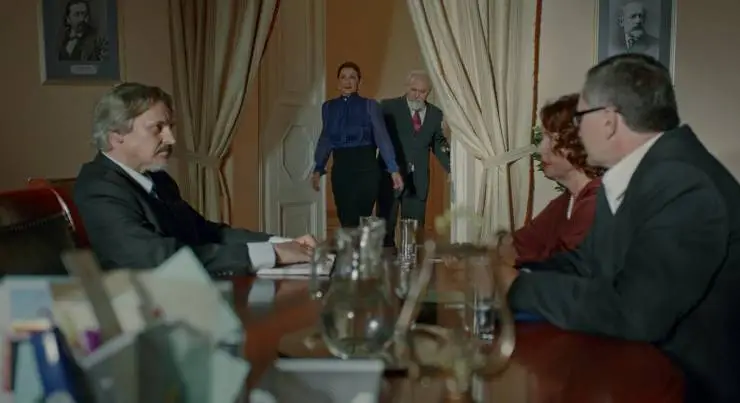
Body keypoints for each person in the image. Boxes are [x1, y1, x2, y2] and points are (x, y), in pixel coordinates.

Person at [501, 54, 740, 402]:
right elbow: (586, 263)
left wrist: (517, 287)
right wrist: (510, 272)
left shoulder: (684, 183)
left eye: (580, 117)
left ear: (609, 121)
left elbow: (636, 313)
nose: (577, 129)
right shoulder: (644, 173)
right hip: (642, 370)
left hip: (689, 388)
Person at [74, 83, 317, 276]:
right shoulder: (97, 187)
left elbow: (206, 232)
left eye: (170, 127)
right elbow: (157, 258)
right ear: (117, 136)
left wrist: (284, 243)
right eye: (158, 128)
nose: (171, 139)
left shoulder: (158, 180)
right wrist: (273, 254)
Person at [497, 93, 605, 266]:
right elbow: (520, 244)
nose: (541, 149)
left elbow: (561, 269)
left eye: (551, 138)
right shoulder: (566, 202)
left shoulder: (597, 204)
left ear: (579, 144)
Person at [311, 61, 403, 228]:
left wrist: (393, 169)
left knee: (361, 220)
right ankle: (350, 246)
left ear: (359, 82)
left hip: (366, 170)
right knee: (346, 219)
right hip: (341, 170)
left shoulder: (370, 105)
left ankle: (361, 246)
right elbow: (326, 138)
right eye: (343, 77)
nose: (348, 81)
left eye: (352, 77)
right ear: (338, 83)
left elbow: (382, 138)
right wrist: (318, 167)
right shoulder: (328, 107)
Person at [376, 70, 450, 247]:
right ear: (406, 87)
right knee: (384, 232)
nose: (417, 95)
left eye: (422, 92)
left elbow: (438, 145)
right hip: (390, 178)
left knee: (414, 235)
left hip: (418, 182)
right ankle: (386, 263)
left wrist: (452, 168)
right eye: (413, 90)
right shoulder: (388, 107)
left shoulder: (435, 114)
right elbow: (377, 138)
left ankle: (411, 263)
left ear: (429, 92)